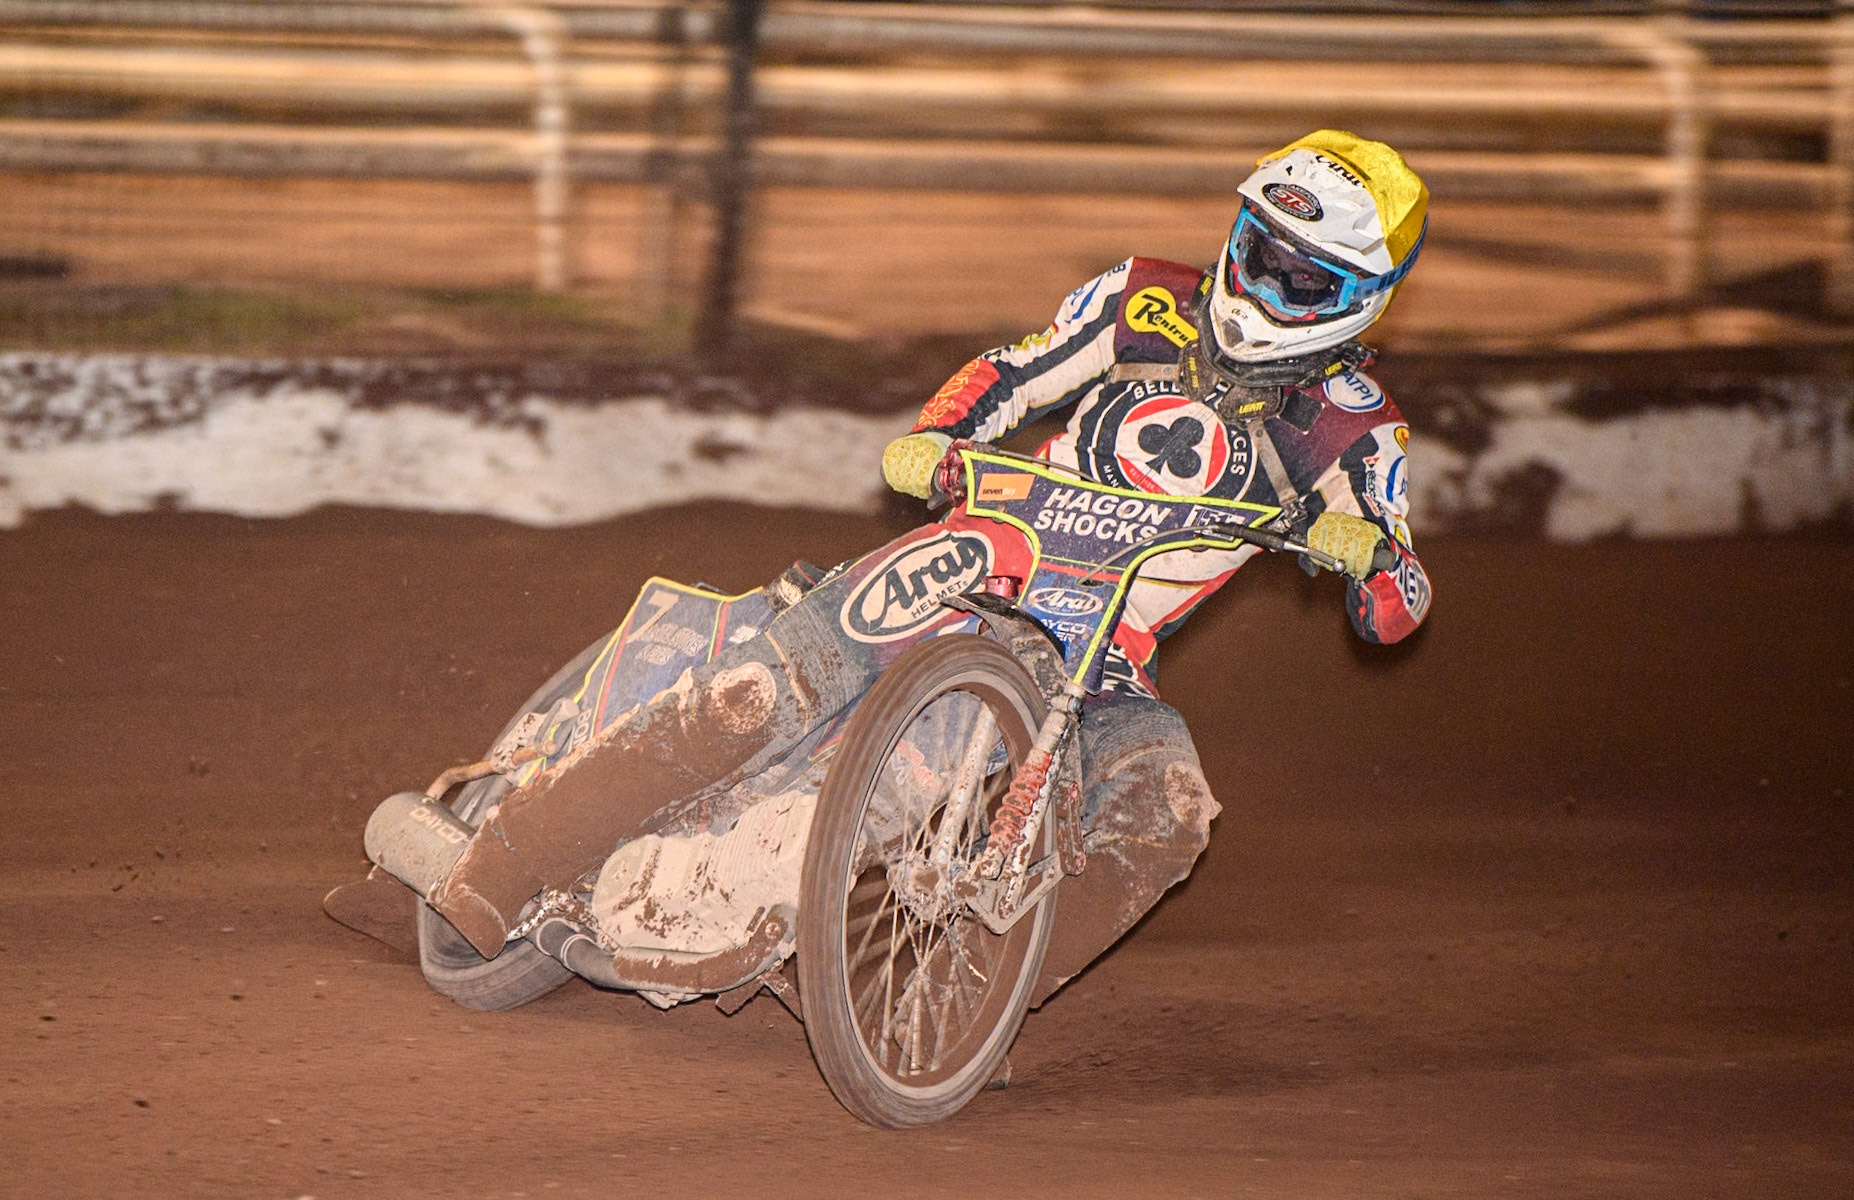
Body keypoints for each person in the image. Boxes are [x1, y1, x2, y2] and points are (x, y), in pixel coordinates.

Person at [430, 130, 1432, 1005]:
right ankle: (500, 863)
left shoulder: (1352, 428)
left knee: (1164, 813)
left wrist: (1373, 562)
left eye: (1303, 280)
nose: (1264, 287)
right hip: (980, 553)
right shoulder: (1145, 298)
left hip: (1099, 654)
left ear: (1361, 301)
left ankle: (953, 1009)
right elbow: (1012, 367)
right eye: (1258, 251)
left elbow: (1399, 588)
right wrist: (940, 433)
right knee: (760, 692)